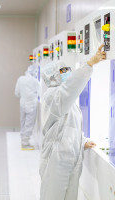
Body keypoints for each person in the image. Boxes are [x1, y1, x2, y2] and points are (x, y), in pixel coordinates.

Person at [39, 44, 106, 200]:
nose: (67, 73)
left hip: (70, 158)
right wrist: (89, 64)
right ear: (53, 76)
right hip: (55, 160)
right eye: (63, 71)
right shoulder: (53, 96)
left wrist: (82, 141)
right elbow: (70, 88)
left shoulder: (68, 100)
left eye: (67, 70)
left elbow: (68, 127)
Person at [15, 65, 40, 150]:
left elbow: (16, 93)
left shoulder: (20, 79)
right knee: (29, 124)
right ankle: (25, 144)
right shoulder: (35, 81)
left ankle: (23, 141)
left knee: (23, 122)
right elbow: (40, 92)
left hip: (22, 104)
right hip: (32, 105)